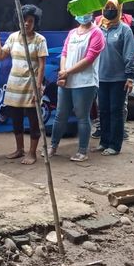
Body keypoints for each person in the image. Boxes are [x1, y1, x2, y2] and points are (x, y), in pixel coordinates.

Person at [0, 5, 48, 165]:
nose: (27, 24)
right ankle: (19, 149)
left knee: (34, 121)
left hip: (31, 87)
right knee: (16, 120)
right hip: (14, 86)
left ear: (35, 23)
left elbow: (42, 66)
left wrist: (38, 88)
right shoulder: (13, 37)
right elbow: (1, 56)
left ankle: (32, 153)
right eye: (24, 20)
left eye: (30, 21)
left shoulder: (40, 40)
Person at [50, 11, 105, 162]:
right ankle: (53, 146)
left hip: (85, 82)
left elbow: (89, 59)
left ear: (91, 13)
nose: (83, 15)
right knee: (60, 114)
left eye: (86, 11)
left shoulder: (97, 33)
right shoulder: (72, 33)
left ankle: (82, 151)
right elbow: (64, 53)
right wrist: (63, 72)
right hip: (66, 80)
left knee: (82, 116)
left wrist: (67, 72)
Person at [95, 0, 134, 156]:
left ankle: (114, 145)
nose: (109, 10)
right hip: (100, 77)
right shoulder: (98, 28)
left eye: (113, 8)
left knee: (116, 111)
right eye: (107, 7)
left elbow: (130, 54)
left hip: (119, 79)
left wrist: (130, 76)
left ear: (119, 9)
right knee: (103, 111)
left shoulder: (124, 29)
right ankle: (103, 141)